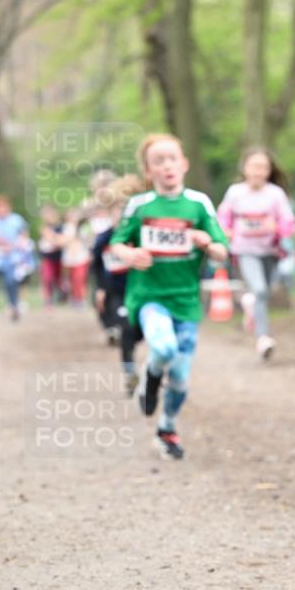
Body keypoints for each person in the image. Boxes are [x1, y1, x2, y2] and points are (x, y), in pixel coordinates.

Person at [109, 133, 228, 460]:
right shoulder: (140, 206)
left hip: (187, 303)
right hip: (149, 296)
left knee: (180, 381)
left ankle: (166, 428)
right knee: (163, 347)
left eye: (172, 158)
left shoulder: (199, 203)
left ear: (184, 163)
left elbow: (221, 252)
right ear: (149, 171)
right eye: (158, 161)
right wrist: (129, 255)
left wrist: (206, 243)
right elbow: (117, 244)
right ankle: (149, 378)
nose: (167, 166)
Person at [217, 147, 295, 359]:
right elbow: (222, 217)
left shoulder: (275, 194)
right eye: (254, 166)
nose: (258, 171)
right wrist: (227, 232)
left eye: (263, 167)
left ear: (269, 171)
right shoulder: (235, 193)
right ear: (244, 168)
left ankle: (250, 307)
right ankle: (263, 338)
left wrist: (277, 229)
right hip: (245, 251)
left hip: (270, 252)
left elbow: (289, 223)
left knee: (264, 293)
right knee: (260, 290)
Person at [92, 174, 145, 395]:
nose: (120, 215)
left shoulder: (138, 236)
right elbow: (96, 264)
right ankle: (130, 373)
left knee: (137, 333)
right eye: (116, 211)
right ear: (110, 213)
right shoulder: (104, 239)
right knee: (125, 330)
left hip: (140, 291)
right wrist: (100, 289)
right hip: (116, 292)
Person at [0, 195, 33, 320]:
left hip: (13, 258)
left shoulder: (16, 220)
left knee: (10, 282)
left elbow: (24, 236)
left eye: (1, 207)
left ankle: (13, 305)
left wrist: (14, 246)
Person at [59, 208, 91, 306]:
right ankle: (74, 298)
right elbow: (63, 241)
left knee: (80, 278)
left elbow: (88, 240)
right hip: (69, 259)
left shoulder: (84, 228)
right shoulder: (66, 228)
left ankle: (80, 298)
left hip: (81, 257)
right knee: (71, 279)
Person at [38, 205, 65, 306]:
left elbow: (61, 241)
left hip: (59, 257)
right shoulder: (43, 227)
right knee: (47, 278)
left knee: (59, 279)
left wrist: (52, 237)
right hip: (47, 257)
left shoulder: (60, 227)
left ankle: (62, 295)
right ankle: (48, 299)